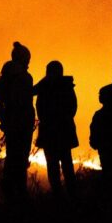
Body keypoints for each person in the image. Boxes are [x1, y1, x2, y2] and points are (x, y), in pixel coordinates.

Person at [0, 42, 35, 201]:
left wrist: (5, 121)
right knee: (19, 161)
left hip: (14, 124)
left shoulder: (5, 77)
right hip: (22, 125)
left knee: (12, 160)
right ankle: (18, 197)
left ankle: (12, 196)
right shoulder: (25, 77)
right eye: (27, 58)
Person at [33, 60, 78, 198]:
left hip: (49, 133)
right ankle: (72, 196)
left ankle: (59, 197)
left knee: (53, 166)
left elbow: (36, 100)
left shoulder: (44, 87)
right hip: (64, 132)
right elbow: (73, 108)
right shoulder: (67, 86)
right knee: (66, 165)